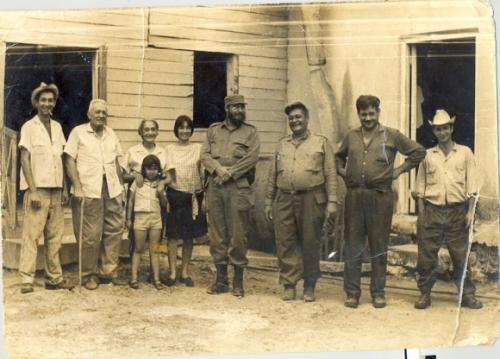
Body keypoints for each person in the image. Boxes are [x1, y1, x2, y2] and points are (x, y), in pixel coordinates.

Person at [336, 95, 426, 309]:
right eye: (363, 114)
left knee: (378, 245)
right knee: (353, 245)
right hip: (355, 196)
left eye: (371, 113)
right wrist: (343, 172)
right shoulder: (351, 136)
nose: (368, 118)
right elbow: (338, 156)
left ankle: (378, 292)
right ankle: (352, 293)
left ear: (378, 112)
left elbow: (418, 152)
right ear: (358, 114)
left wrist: (399, 170)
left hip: (380, 197)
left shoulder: (391, 135)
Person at [264, 101, 337, 302]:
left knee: (310, 242)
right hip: (285, 197)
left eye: (298, 117)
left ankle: (310, 285)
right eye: (291, 118)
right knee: (285, 242)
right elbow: (272, 175)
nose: (295, 121)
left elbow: (330, 173)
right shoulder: (282, 144)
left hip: (312, 198)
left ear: (306, 118)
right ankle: (289, 284)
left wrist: (332, 202)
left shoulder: (321, 142)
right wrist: (269, 201)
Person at [413, 109, 482, 309]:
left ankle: (467, 295)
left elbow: (472, 186)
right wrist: (421, 215)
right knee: (426, 256)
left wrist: (470, 212)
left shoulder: (465, 153)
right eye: (438, 129)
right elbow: (420, 189)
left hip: (457, 212)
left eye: (445, 128)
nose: (442, 133)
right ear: (433, 131)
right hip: (432, 211)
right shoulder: (427, 156)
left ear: (451, 128)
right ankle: (424, 294)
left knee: (461, 255)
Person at [201, 94, 260, 297]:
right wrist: (218, 170)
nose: (240, 111)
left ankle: (238, 281)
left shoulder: (250, 132)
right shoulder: (213, 130)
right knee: (217, 235)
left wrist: (230, 173)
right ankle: (221, 280)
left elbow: (252, 158)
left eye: (242, 107)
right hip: (215, 187)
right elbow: (205, 155)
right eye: (236, 107)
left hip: (238, 188)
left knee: (238, 235)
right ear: (227, 109)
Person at [18, 82, 74, 294]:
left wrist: (65, 187)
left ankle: (54, 278)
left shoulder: (58, 127)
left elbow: (61, 159)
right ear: (36, 102)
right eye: (43, 100)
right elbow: (24, 159)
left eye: (50, 100)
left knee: (55, 235)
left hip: (56, 189)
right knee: (32, 234)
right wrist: (32, 190)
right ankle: (26, 278)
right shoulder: (28, 127)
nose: (47, 104)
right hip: (38, 189)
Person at [64, 99, 125, 290]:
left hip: (112, 188)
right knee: (90, 235)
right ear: (89, 114)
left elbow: (117, 161)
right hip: (88, 189)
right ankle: (88, 275)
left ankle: (108, 272)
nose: (100, 116)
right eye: (97, 112)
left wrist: (121, 188)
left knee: (114, 231)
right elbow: (69, 160)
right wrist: (77, 186)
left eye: (103, 113)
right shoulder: (78, 133)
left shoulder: (111, 133)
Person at [161, 115, 207, 287]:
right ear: (176, 130)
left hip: (194, 196)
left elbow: (204, 172)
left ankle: (185, 272)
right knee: (173, 236)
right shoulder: (169, 149)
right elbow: (168, 174)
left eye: (188, 128)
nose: (185, 131)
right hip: (176, 194)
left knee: (189, 237)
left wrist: (204, 195)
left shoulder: (198, 148)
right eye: (181, 127)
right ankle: (172, 272)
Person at [126, 155, 167, 290]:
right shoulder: (137, 183)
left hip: (155, 219)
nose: (151, 172)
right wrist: (128, 219)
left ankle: (156, 278)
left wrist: (161, 193)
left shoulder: (160, 184)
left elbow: (164, 205)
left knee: (155, 249)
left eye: (155, 169)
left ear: (158, 170)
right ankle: (134, 278)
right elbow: (130, 201)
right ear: (143, 169)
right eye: (148, 169)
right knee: (138, 248)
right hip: (140, 218)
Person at [122, 119, 167, 186]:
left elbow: (167, 176)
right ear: (141, 132)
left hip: (156, 192)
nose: (150, 133)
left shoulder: (163, 152)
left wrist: (160, 178)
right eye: (146, 130)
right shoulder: (132, 151)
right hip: (136, 192)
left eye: (153, 129)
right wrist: (134, 176)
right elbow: (122, 177)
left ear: (157, 132)